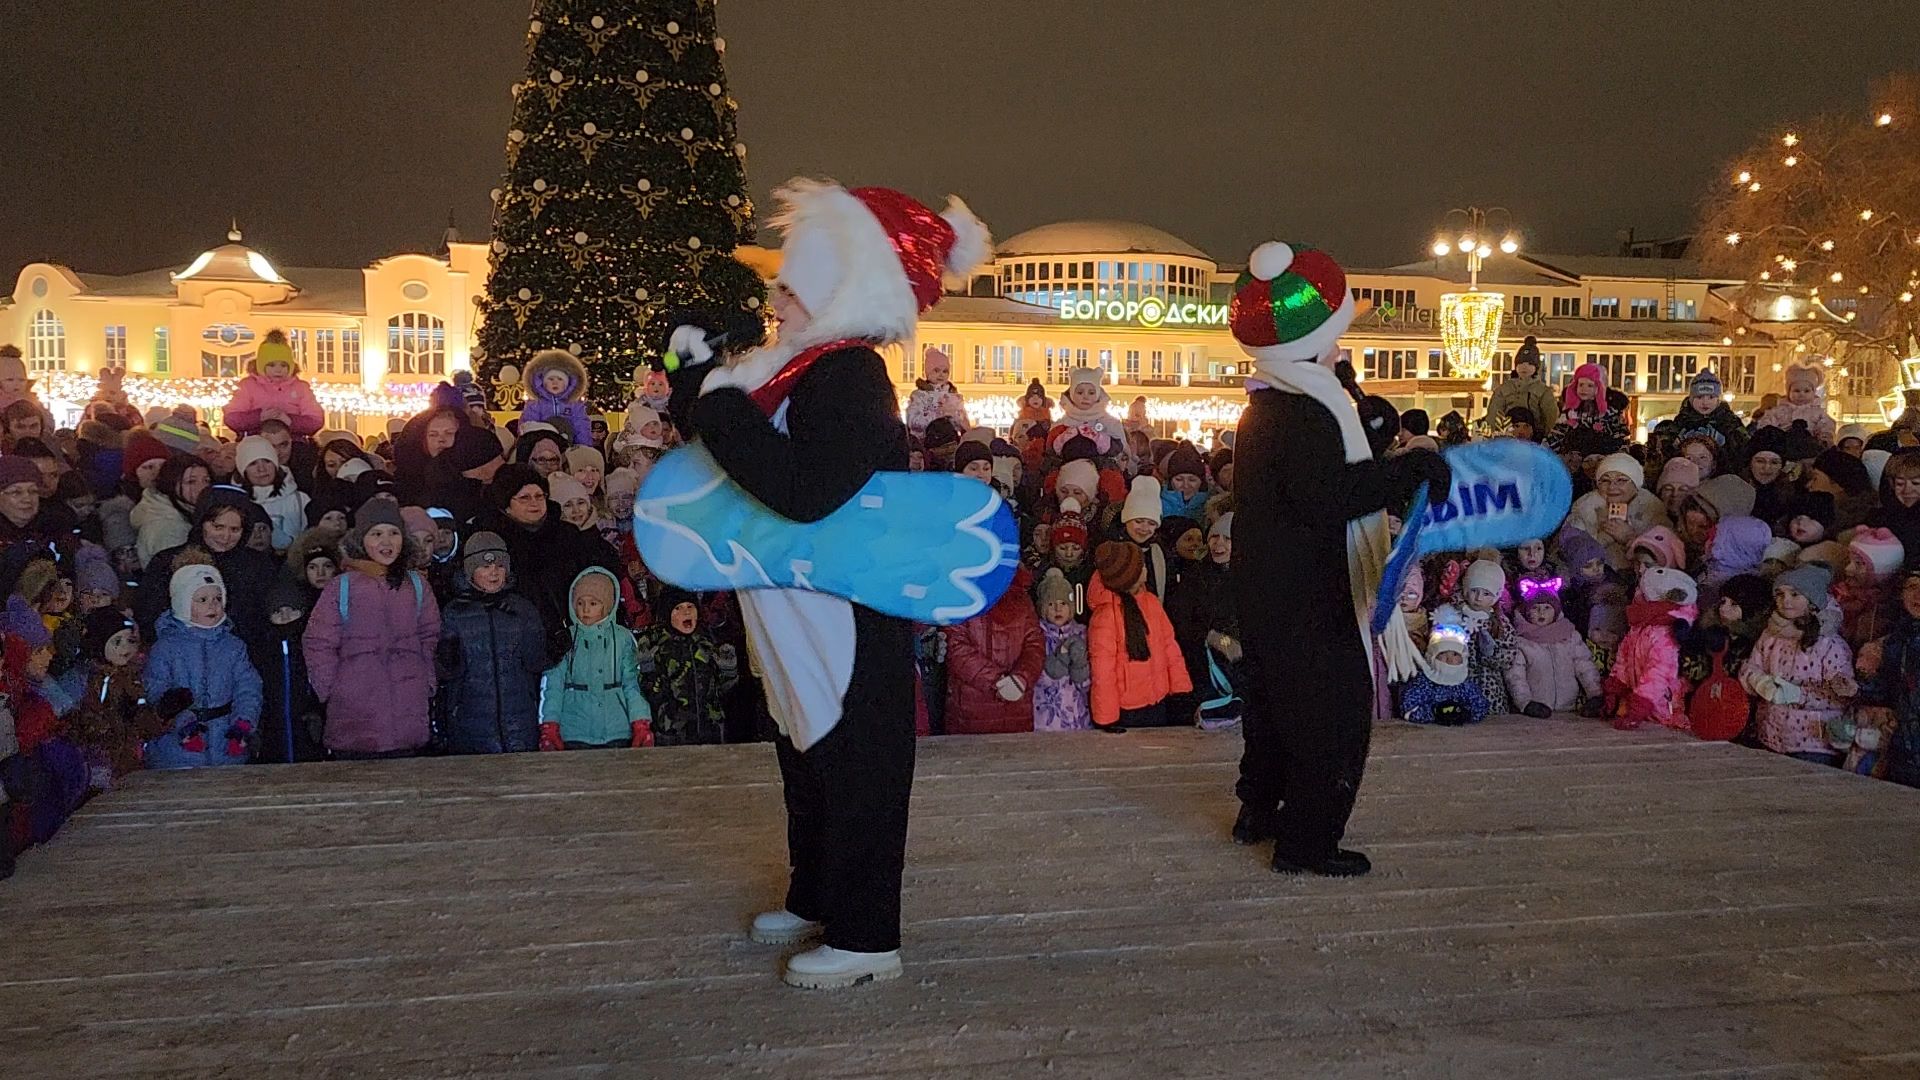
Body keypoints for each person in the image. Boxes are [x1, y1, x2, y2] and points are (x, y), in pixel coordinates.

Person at [659, 179, 987, 989]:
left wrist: (710, 394)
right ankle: (818, 894)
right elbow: (726, 451)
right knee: (804, 751)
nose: (775, 295)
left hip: (842, 607)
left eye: (791, 284)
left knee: (855, 762)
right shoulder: (792, 370)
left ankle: (868, 935)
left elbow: (805, 491)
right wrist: (691, 379)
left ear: (838, 288)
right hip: (787, 603)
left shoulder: (848, 376)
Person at [1223, 241, 1451, 877]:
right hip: (1311, 588)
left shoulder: (1271, 402)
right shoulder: (1304, 410)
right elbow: (1332, 497)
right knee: (1330, 714)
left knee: (1274, 705)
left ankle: (1260, 812)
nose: (1341, 348)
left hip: (1271, 583)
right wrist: (1408, 470)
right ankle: (1307, 840)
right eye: (1337, 334)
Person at [302, 501, 441, 760]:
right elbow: (318, 642)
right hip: (353, 715)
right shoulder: (341, 587)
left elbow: (429, 636)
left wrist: (426, 680)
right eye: (376, 534)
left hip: (407, 714)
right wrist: (331, 687)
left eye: (394, 533)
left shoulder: (417, 586)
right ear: (361, 540)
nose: (386, 541)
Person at [435, 532, 548, 755]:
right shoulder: (454, 613)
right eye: (485, 567)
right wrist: (446, 657)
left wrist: (550, 648)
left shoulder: (523, 609)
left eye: (499, 565)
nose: (493, 572)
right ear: (470, 571)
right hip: (470, 726)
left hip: (519, 724)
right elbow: (447, 673)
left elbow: (536, 663)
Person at [141, 560, 261, 768]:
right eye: (202, 599)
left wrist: (243, 722)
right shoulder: (166, 647)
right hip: (177, 750)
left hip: (226, 744)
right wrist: (182, 721)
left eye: (218, 598)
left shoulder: (233, 646)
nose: (213, 605)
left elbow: (249, 687)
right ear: (183, 604)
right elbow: (155, 687)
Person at [134, 486, 279, 650]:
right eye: (218, 527)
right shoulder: (168, 562)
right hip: (184, 656)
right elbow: (149, 616)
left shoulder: (258, 565)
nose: (225, 537)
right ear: (201, 523)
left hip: (245, 659)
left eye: (235, 529)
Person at [1744, 565, 1855, 764]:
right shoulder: (1770, 636)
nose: (1785, 600)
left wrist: (1798, 694)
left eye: (1795, 594)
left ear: (1812, 601)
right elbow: (1751, 666)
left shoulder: (1829, 644)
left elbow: (1841, 696)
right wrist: (1759, 682)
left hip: (1813, 743)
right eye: (1780, 594)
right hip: (1771, 736)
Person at [538, 566, 650, 750]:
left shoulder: (622, 638)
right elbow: (553, 685)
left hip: (616, 729)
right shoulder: (565, 639)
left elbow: (632, 683)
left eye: (593, 604)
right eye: (580, 603)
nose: (585, 610)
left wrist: (640, 721)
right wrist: (549, 725)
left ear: (606, 604)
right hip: (574, 730)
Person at [1087, 540, 1189, 730]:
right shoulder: (1106, 615)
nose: (1145, 569)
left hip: (1158, 699)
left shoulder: (1151, 602)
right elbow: (1103, 670)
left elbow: (1169, 646)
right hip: (1127, 708)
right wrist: (1107, 718)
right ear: (1129, 576)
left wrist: (1180, 687)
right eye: (1141, 566)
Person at [940, 566, 1044, 734]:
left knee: (1017, 758)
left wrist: (1021, 678)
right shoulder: (961, 600)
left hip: (1016, 711)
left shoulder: (1023, 601)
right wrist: (998, 682)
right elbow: (956, 647)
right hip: (971, 713)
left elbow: (1035, 645)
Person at [635, 586, 741, 746]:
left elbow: (722, 692)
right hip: (673, 735)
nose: (686, 612)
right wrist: (648, 670)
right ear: (667, 614)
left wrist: (729, 671)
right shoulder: (657, 646)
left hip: (710, 733)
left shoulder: (706, 642)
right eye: (678, 608)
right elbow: (650, 695)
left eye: (690, 607)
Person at [1606, 566, 1698, 731]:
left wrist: (1639, 706)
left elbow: (1659, 673)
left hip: (1664, 712)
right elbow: (1624, 659)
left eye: (1641, 591)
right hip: (1641, 713)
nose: (1636, 594)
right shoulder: (1640, 627)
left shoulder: (1665, 633)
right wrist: (1615, 688)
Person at [1507, 578, 1602, 717]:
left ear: (1556, 611)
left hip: (1571, 711)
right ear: (1527, 611)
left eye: (1547, 608)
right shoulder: (1522, 642)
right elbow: (1515, 676)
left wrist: (1595, 694)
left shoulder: (1569, 636)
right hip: (1536, 712)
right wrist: (1525, 703)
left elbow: (1584, 666)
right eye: (1535, 607)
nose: (1541, 612)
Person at [221, 330, 324, 437]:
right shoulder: (248, 386)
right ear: (262, 366)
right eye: (272, 365)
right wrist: (259, 417)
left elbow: (316, 420)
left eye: (283, 365)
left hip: (293, 440)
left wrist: (290, 420)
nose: (278, 370)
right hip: (255, 438)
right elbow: (232, 418)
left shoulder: (301, 387)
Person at [1032, 568, 1092, 731]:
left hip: (1077, 717)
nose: (1058, 609)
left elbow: (1087, 683)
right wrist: (1062, 655)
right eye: (1051, 604)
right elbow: (1038, 678)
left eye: (1063, 604)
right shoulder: (1036, 635)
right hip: (1045, 720)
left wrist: (1080, 665)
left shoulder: (1082, 633)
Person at [1401, 625, 1490, 726]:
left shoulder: (1465, 684)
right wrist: (1435, 712)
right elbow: (1409, 708)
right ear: (1432, 656)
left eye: (1455, 654)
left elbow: (1481, 706)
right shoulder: (1424, 682)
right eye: (1443, 653)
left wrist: (1464, 713)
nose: (1449, 659)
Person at [131, 455, 208, 570]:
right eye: (191, 481)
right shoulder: (170, 528)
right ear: (171, 483)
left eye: (206, 480)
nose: (202, 487)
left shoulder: (174, 512)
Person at [237, 434, 308, 554]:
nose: (262, 469)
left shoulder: (300, 500)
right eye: (253, 463)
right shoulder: (236, 503)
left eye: (267, 461)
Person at [1546, 362, 1631, 453]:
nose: (1584, 389)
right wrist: (1546, 449)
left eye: (1590, 385)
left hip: (1603, 457)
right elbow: (1558, 432)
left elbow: (1621, 435)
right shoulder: (1571, 411)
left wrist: (1619, 454)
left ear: (1599, 388)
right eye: (1581, 384)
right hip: (1574, 457)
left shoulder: (1609, 413)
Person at [517, 349, 595, 446]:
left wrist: (584, 446)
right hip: (541, 445)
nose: (555, 382)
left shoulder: (574, 404)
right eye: (551, 379)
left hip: (569, 444)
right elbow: (528, 424)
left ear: (567, 383)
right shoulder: (535, 404)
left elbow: (581, 425)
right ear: (543, 383)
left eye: (560, 379)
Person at [1669, 370, 1747, 461]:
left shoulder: (1730, 422)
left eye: (1711, 397)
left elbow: (1743, 451)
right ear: (1691, 399)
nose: (1705, 402)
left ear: (1718, 400)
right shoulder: (1681, 422)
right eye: (1699, 397)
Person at [1486, 337, 1559, 434]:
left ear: (1536, 367)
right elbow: (1494, 413)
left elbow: (1550, 416)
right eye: (1520, 363)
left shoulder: (1543, 391)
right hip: (1508, 436)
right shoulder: (1504, 389)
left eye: (1529, 364)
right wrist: (1496, 433)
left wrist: (1542, 434)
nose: (1524, 367)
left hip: (1534, 438)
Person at [1753, 363, 1837, 445]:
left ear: (1813, 392)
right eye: (1796, 391)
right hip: (1784, 444)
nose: (1801, 394)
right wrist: (1769, 434)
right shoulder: (1780, 410)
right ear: (1788, 392)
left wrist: (1825, 435)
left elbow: (1826, 424)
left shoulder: (1818, 412)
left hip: (1809, 445)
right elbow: (1767, 422)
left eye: (1806, 391)